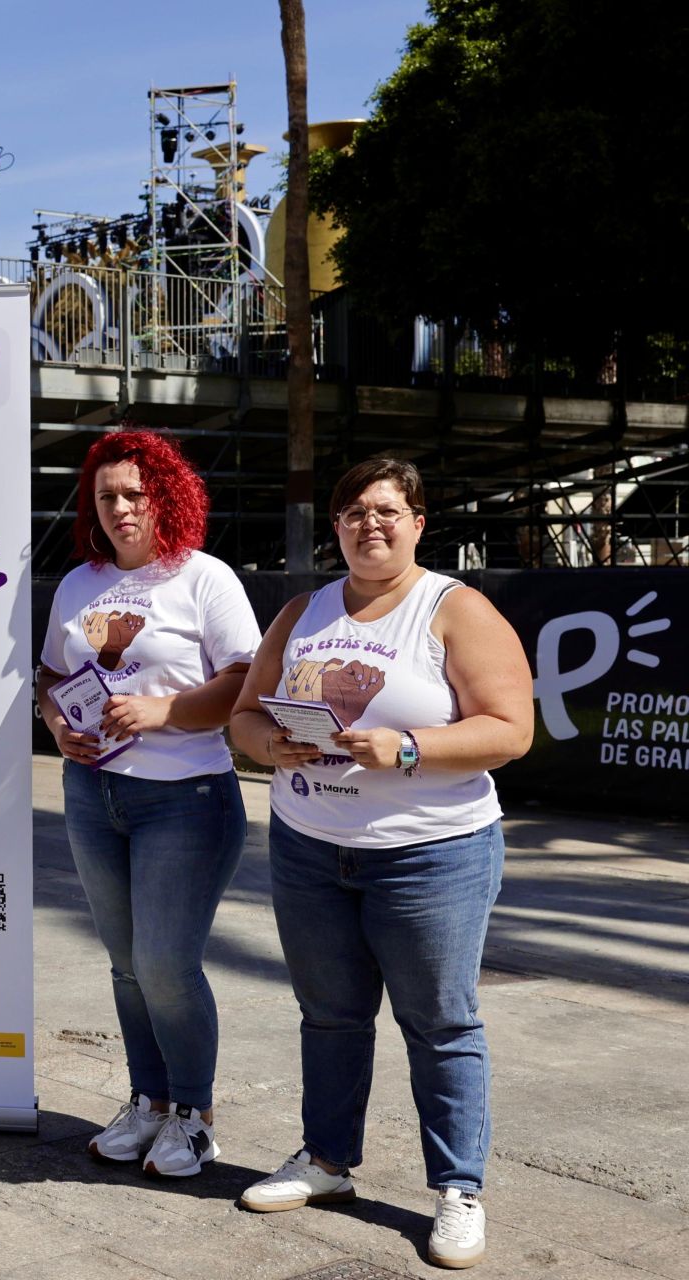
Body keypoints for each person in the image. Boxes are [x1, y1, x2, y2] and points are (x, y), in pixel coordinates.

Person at [229, 458, 533, 1270]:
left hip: (431, 856)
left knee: (439, 1021)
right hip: (307, 847)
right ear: (336, 527)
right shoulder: (302, 611)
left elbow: (510, 728)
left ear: (419, 523)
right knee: (328, 1014)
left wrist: (409, 748)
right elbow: (245, 718)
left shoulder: (454, 610)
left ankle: (459, 1188)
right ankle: (327, 1162)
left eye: (388, 510)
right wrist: (269, 744)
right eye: (355, 511)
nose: (371, 524)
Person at [34, 429, 260, 1178]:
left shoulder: (205, 579)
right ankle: (149, 1102)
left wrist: (163, 713)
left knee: (165, 964)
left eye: (136, 493)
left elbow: (244, 682)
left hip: (186, 798)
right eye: (107, 496)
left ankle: (194, 1116)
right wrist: (58, 724)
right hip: (93, 794)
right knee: (127, 966)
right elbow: (50, 675)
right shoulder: (78, 584)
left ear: (167, 495)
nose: (122, 507)